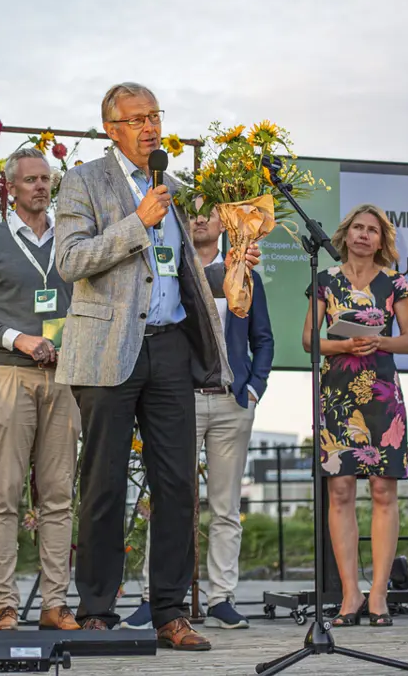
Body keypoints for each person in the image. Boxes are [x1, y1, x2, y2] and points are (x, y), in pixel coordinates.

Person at [54, 82, 257, 651]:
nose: (151, 127)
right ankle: (97, 609)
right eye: (138, 119)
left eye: (155, 116)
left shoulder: (178, 186)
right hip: (105, 351)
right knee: (102, 484)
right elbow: (70, 261)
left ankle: (170, 611)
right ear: (111, 128)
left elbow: (177, 273)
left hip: (169, 348)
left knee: (175, 485)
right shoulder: (84, 180)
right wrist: (136, 222)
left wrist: (232, 267)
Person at [123, 200, 275, 630]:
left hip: (231, 403)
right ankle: (154, 598)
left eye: (210, 213)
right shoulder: (171, 273)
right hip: (178, 401)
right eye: (193, 214)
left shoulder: (244, 275)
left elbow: (264, 339)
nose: (201, 219)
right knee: (167, 500)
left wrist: (254, 388)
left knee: (226, 507)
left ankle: (222, 598)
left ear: (224, 221)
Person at [0, 147, 81, 632]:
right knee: (5, 493)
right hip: (10, 373)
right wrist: (19, 339)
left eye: (47, 179)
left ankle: (54, 604)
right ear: (10, 188)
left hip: (65, 378)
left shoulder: (71, 239)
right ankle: (5, 605)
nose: (41, 187)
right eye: (31, 180)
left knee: (58, 495)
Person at [303, 204, 408, 627]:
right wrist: (344, 347)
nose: (364, 235)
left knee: (384, 492)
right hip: (337, 393)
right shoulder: (325, 281)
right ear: (346, 233)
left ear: (381, 239)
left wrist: (378, 340)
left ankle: (380, 595)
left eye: (373, 230)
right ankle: (350, 594)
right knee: (341, 491)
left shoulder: (394, 283)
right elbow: (307, 340)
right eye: (358, 228)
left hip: (382, 393)